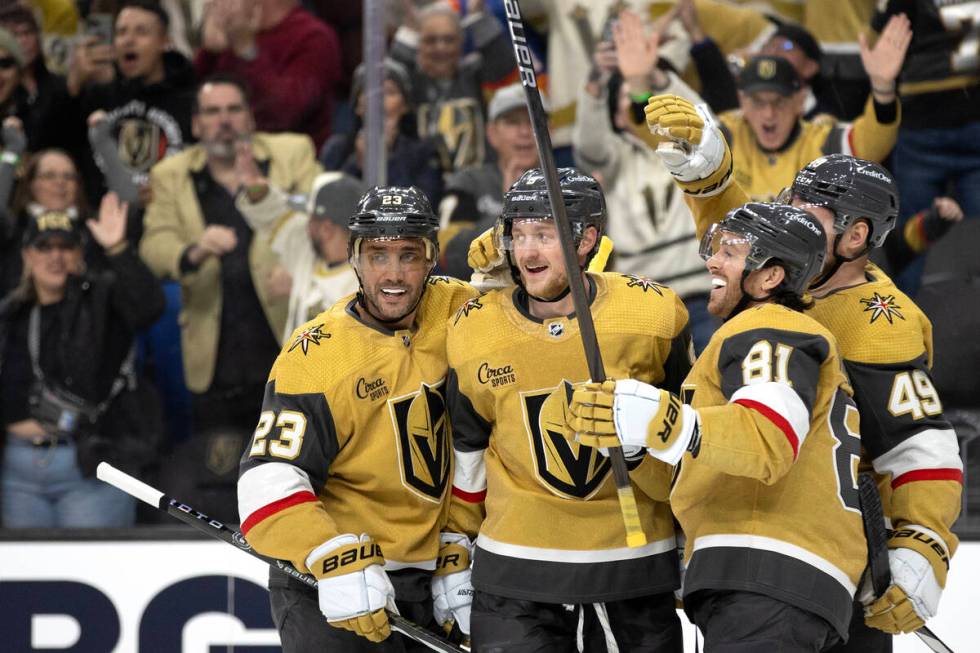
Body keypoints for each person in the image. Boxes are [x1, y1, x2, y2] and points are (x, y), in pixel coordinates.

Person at [643, 94, 963, 650]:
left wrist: (921, 543)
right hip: (755, 532)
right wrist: (709, 178)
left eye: (805, 212)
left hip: (839, 554)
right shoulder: (788, 281)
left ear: (856, 236)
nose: (788, 219)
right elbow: (755, 245)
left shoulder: (878, 323)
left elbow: (920, 447)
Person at [566, 202, 867, 651]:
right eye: (715, 247)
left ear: (770, 277)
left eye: (731, 250)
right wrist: (634, 445)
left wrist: (663, 422)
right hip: (774, 580)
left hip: (768, 572)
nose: (711, 260)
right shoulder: (750, 340)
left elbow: (768, 439)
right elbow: (693, 470)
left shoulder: (770, 326)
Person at [446, 168, 691, 651]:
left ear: (588, 239)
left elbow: (689, 439)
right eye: (518, 236)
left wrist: (692, 531)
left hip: (633, 571)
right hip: (515, 575)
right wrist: (456, 547)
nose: (530, 251)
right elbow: (467, 449)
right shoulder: (473, 329)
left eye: (545, 234)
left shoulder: (654, 314)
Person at [237, 186, 478, 650]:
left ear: (432, 258)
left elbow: (536, 321)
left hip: (432, 579)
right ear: (353, 258)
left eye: (409, 255)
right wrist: (327, 554)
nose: (393, 274)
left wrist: (502, 267)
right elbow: (268, 478)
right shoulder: (316, 356)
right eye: (377, 255)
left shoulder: (455, 309)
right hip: (337, 583)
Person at [140, 75, 320, 437]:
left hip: (286, 339)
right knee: (221, 477)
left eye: (234, 109)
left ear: (250, 117)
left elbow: (322, 219)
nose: (224, 120)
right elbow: (154, 243)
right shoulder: (170, 174)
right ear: (196, 124)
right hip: (216, 351)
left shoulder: (292, 153)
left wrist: (302, 273)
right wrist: (193, 250)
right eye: (212, 111)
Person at [0, 193, 165, 527]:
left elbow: (149, 306)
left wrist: (117, 248)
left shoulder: (103, 300)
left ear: (80, 254)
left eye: (65, 246)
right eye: (44, 247)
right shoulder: (11, 314)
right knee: (26, 577)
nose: (55, 256)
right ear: (27, 256)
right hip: (18, 468)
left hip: (90, 465)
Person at [572, 8, 715, 351]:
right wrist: (595, 80)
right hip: (646, 301)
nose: (636, 99)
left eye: (645, 92)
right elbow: (588, 145)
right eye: (627, 94)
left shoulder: (685, 147)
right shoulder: (616, 155)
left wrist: (650, 76)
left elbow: (705, 128)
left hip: (704, 295)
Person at [78, 0, 196, 220]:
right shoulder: (98, 96)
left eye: (141, 32)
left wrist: (166, 190)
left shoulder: (189, 99)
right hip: (104, 221)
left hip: (171, 219)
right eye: (121, 32)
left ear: (165, 41)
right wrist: (73, 86)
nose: (128, 40)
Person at [196, 0, 342, 150]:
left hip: (290, 161)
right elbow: (191, 110)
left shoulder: (314, 37)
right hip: (219, 157)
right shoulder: (231, 35)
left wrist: (247, 51)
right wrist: (209, 53)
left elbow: (283, 115)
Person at [238, 171, 366, 339]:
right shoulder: (307, 254)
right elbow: (274, 217)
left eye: (310, 218)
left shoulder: (366, 289)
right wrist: (256, 188)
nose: (305, 224)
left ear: (326, 229)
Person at [390, 0, 514, 174]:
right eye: (431, 40)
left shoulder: (474, 74)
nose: (440, 47)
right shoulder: (411, 83)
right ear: (418, 44)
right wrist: (410, 30)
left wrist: (477, 16)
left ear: (461, 42)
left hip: (476, 186)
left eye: (449, 40)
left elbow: (503, 66)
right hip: (422, 186)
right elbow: (390, 79)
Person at [437, 83, 539, 279]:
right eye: (513, 122)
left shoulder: (564, 186)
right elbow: (448, 254)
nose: (525, 132)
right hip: (481, 298)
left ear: (548, 131)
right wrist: (508, 210)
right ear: (492, 133)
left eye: (533, 122)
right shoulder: (467, 182)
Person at [320, 58, 443, 208]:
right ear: (358, 106)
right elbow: (328, 205)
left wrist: (388, 159)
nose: (378, 100)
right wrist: (357, 163)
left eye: (389, 92)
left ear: (405, 106)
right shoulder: (337, 148)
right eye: (370, 92)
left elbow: (422, 207)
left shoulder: (424, 153)